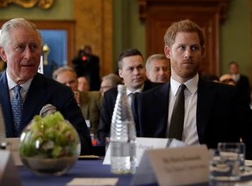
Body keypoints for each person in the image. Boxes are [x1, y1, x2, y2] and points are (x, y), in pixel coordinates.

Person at [0, 18, 92, 155]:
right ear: (3, 53)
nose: (29, 55)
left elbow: (84, 144)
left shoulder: (61, 94)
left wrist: (56, 137)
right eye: (20, 47)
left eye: (34, 47)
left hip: (44, 173)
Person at [133, 19, 252, 159]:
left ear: (203, 52)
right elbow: (133, 151)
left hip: (213, 176)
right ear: (168, 52)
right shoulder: (143, 102)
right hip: (158, 176)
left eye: (194, 48)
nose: (188, 54)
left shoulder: (228, 96)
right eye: (181, 48)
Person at [97, 48, 161, 145]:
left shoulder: (159, 91)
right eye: (131, 69)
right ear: (121, 73)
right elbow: (102, 132)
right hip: (122, 150)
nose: (136, 73)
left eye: (140, 67)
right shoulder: (110, 96)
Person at [53, 66, 102, 144]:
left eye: (71, 82)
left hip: (95, 145)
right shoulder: (55, 105)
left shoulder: (95, 97)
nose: (68, 85)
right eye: (63, 84)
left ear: (77, 81)